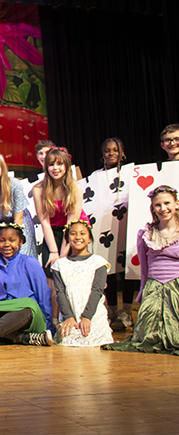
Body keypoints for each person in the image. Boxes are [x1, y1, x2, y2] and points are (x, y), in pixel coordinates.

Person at [104, 186, 179, 355]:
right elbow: (144, 269)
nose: (163, 208)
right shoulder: (146, 234)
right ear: (152, 208)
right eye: (158, 205)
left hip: (176, 287)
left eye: (167, 203)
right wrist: (143, 292)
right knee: (147, 335)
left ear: (176, 204)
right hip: (154, 287)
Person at [32, 147, 88, 324]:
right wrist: (55, 253)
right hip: (51, 232)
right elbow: (44, 221)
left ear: (67, 165)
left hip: (74, 231)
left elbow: (72, 221)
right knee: (51, 276)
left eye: (60, 164)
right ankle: (53, 321)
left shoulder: (75, 188)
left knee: (71, 275)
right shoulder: (38, 189)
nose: (55, 168)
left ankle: (75, 318)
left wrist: (64, 252)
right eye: (51, 164)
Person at [90, 137, 135, 330]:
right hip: (104, 229)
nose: (111, 154)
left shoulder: (132, 172)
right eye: (107, 151)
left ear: (122, 153)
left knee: (126, 270)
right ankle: (112, 311)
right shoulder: (96, 177)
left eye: (115, 150)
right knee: (107, 269)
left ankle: (126, 311)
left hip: (126, 226)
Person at [53, 220, 113, 346]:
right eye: (73, 234)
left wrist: (87, 317)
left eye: (82, 233)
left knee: (92, 338)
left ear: (90, 238)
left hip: (92, 314)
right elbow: (60, 293)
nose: (78, 237)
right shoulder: (60, 265)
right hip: (71, 314)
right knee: (68, 340)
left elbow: (97, 290)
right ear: (67, 238)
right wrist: (68, 317)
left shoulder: (98, 262)